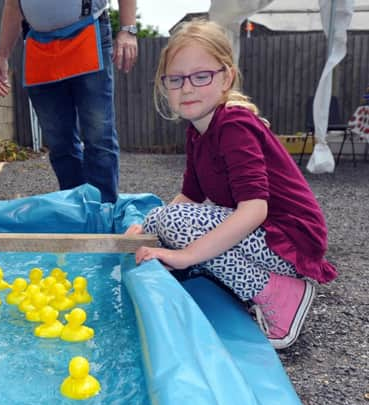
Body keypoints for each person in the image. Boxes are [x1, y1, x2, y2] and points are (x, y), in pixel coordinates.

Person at [126, 19, 337, 350]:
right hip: (267, 235)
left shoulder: (234, 125)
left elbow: (255, 210)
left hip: (290, 242)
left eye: (201, 76)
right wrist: (146, 228)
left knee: (177, 226)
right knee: (158, 217)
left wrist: (186, 255)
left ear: (226, 77)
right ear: (164, 84)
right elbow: (189, 196)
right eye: (176, 79)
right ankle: (248, 282)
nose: (187, 88)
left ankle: (277, 292)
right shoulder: (198, 130)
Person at [0, 0, 138, 203]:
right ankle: (77, 212)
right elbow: (12, 5)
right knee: (59, 143)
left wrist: (128, 29)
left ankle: (104, 214)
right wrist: (2, 55)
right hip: (39, 46)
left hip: (87, 33)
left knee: (99, 136)